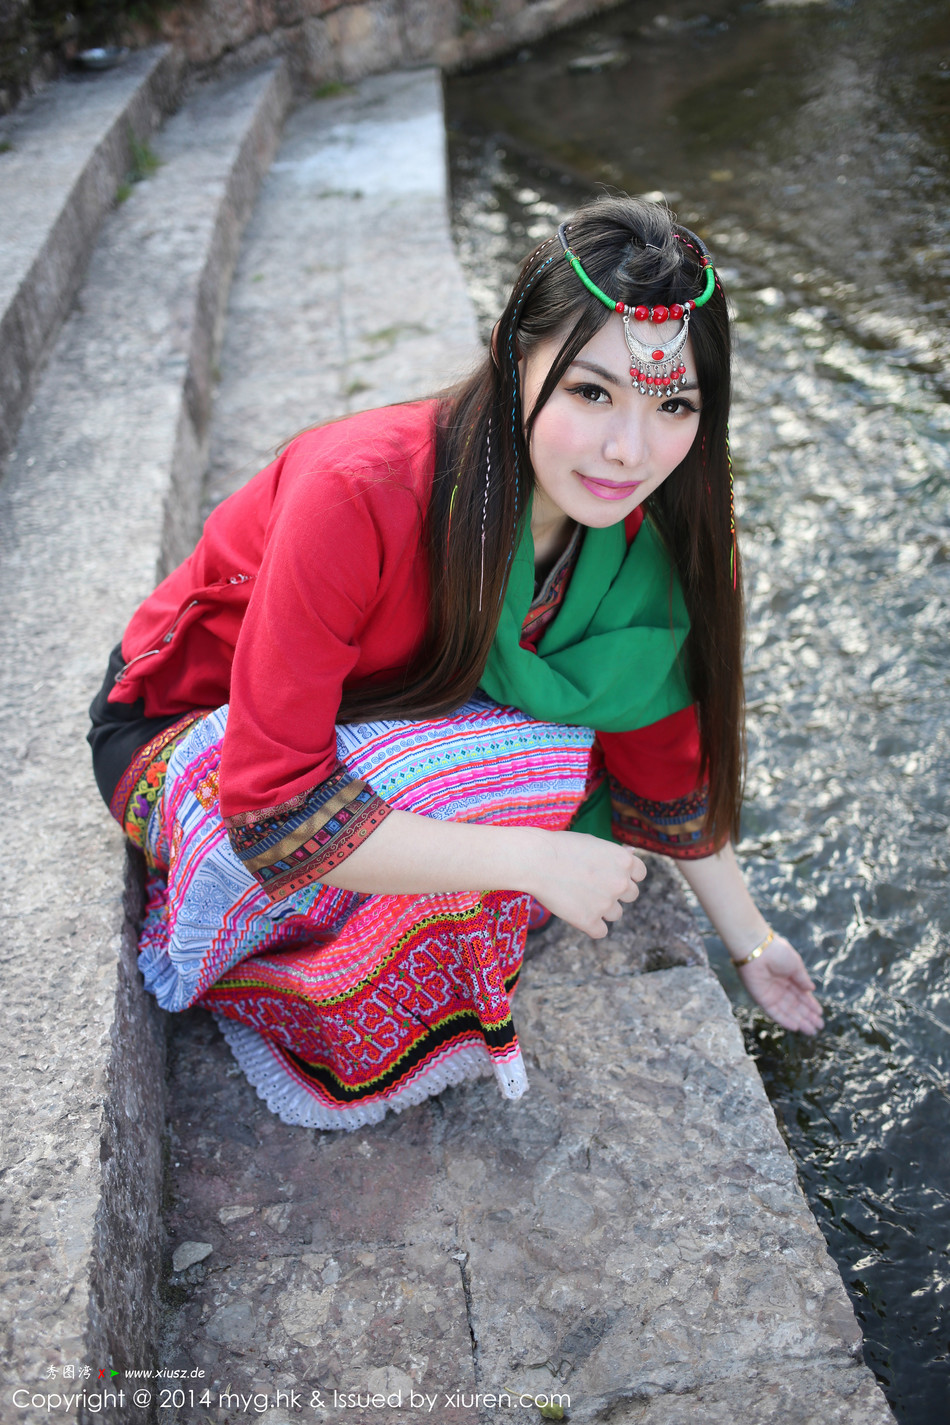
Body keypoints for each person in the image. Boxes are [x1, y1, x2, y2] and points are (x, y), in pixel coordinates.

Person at [88, 195, 823, 1131]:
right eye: (592, 392)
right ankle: (289, 973)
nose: (628, 450)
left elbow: (659, 747)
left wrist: (753, 942)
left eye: (672, 404)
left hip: (379, 721)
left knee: (550, 763)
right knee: (516, 782)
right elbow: (272, 805)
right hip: (194, 728)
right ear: (513, 356)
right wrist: (532, 858)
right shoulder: (359, 490)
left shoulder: (651, 535)